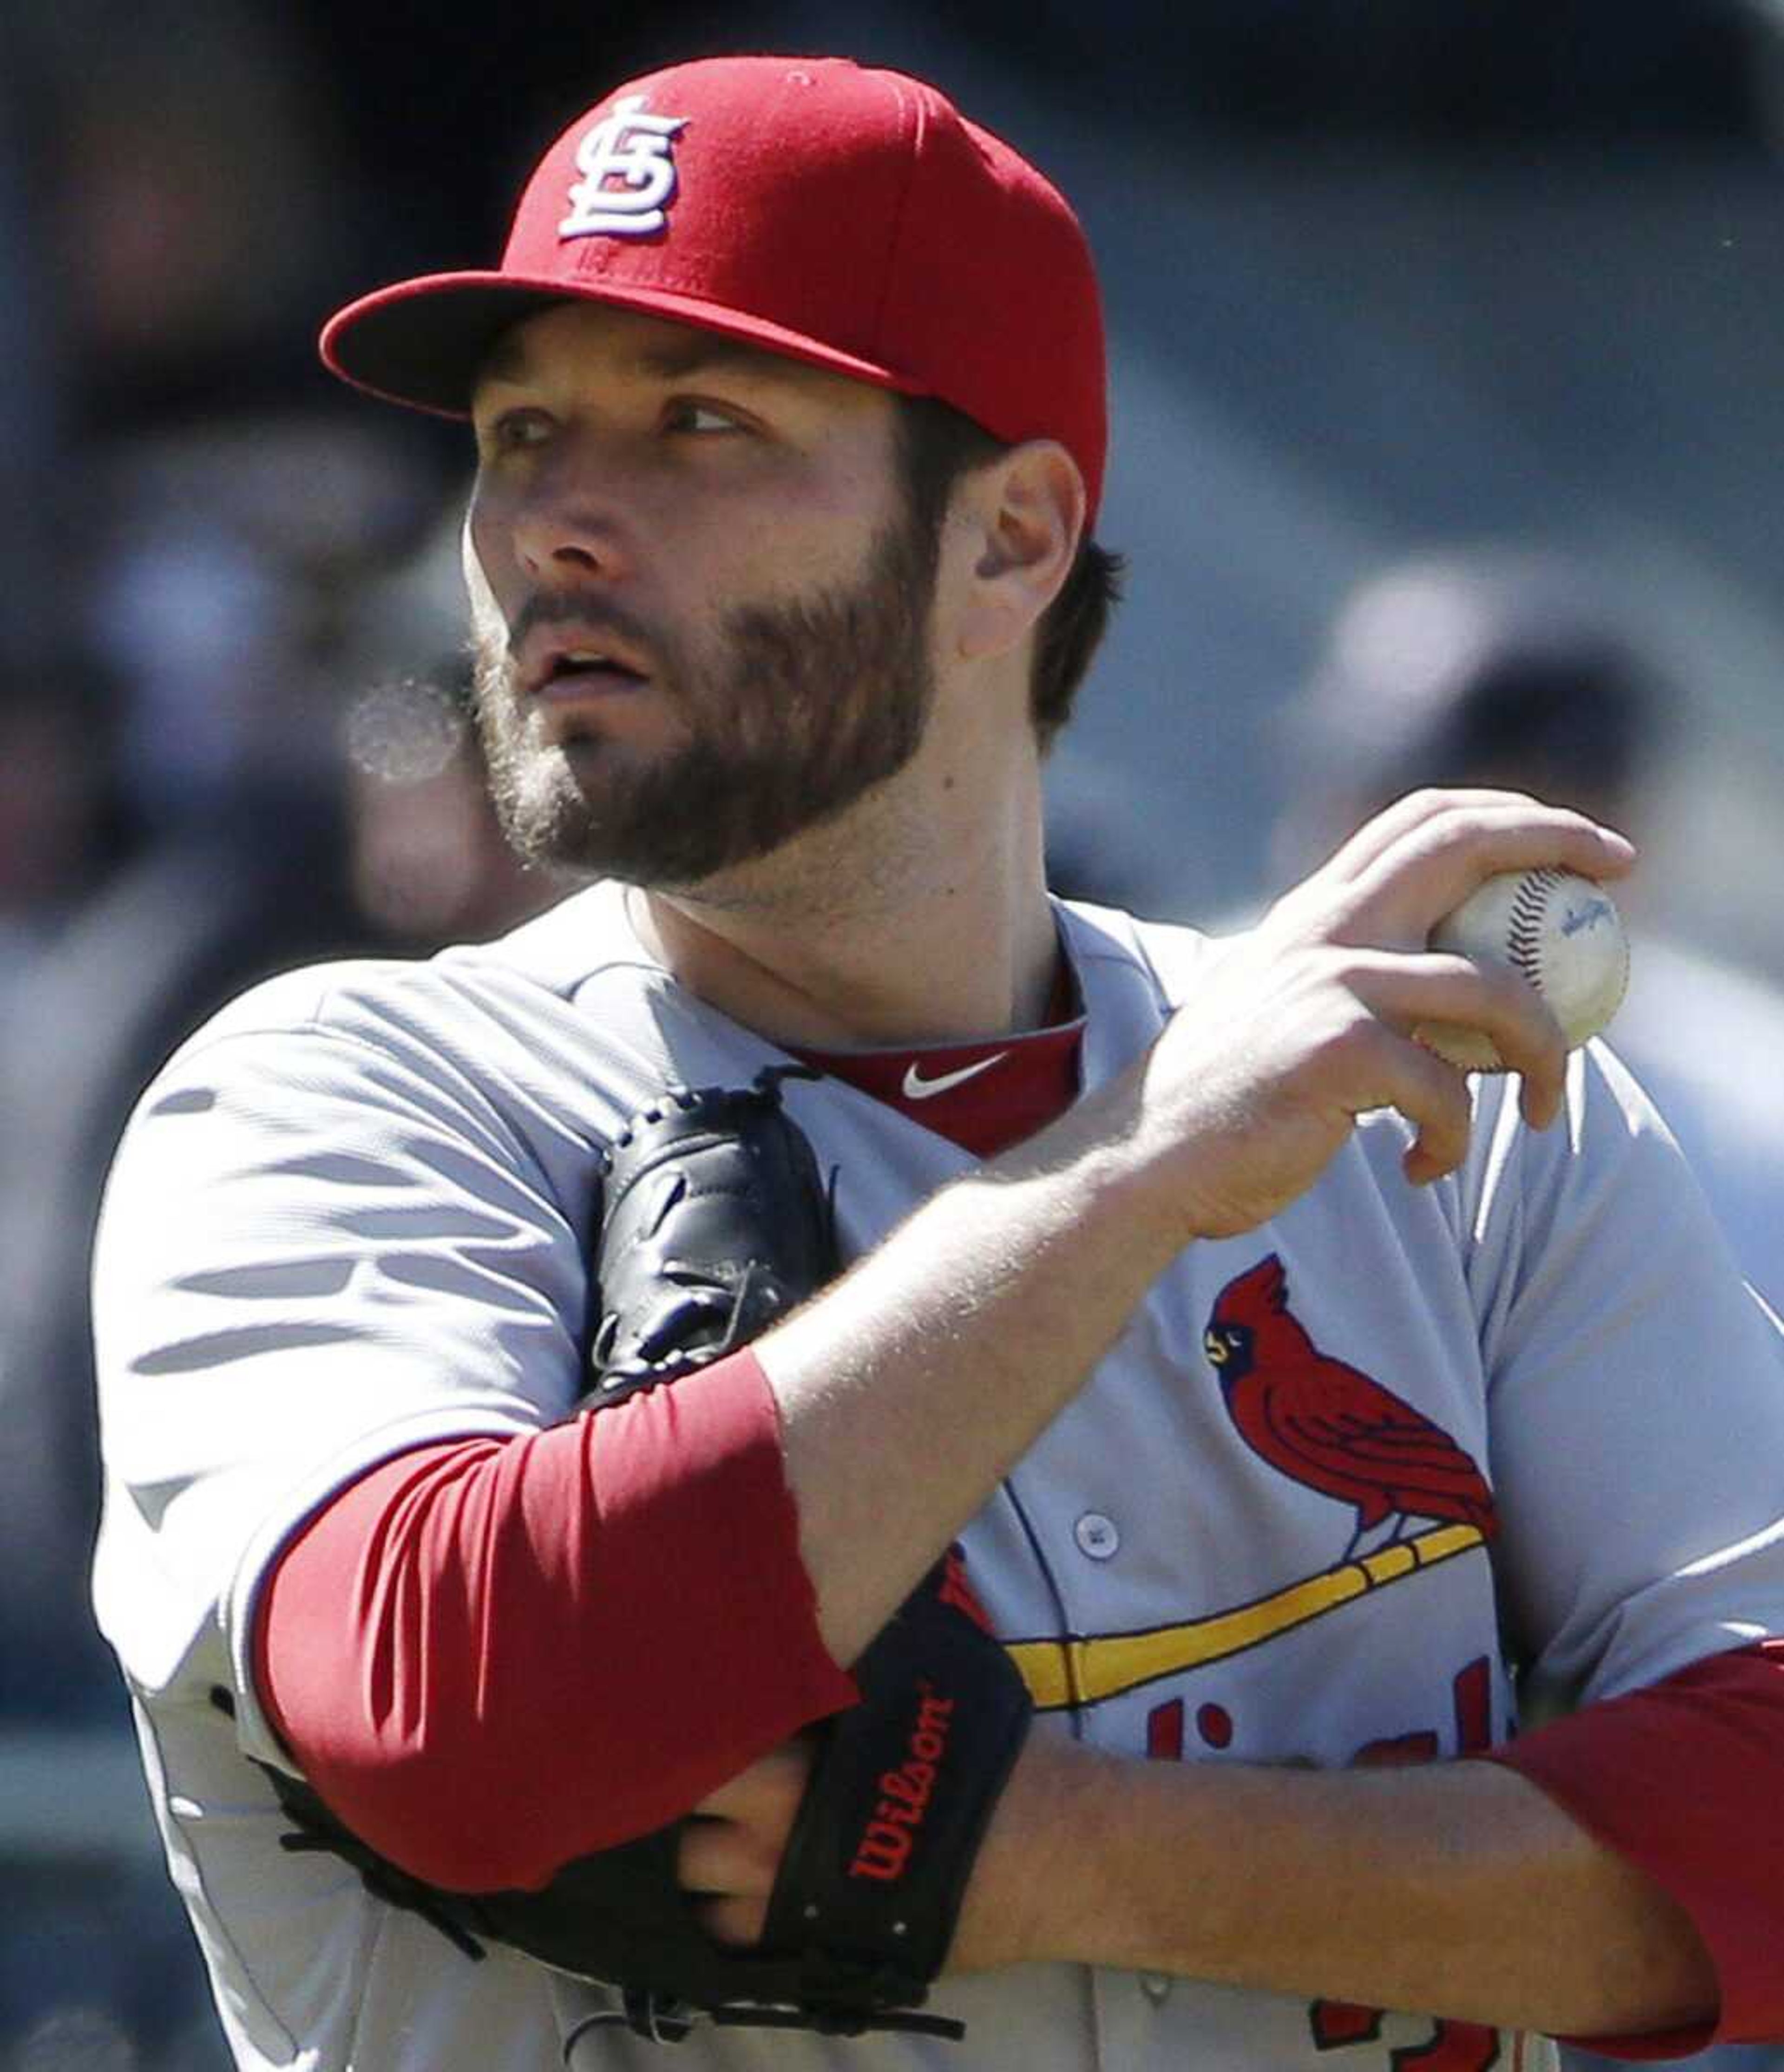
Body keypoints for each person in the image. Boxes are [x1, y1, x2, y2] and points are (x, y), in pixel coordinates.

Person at [89, 53, 1784, 2072]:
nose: (555, 519)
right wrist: (1132, 1169)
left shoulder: (1462, 1119)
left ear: (1011, 538)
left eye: (699, 423)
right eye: (521, 430)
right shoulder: (348, 1096)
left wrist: (1027, 1855)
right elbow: (461, 1718)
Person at [1276, 548, 1784, 1316]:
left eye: (1450, 812)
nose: (1400, 842)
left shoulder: (1749, 1133)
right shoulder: (1178, 1020)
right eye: (1384, 796)